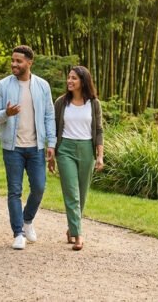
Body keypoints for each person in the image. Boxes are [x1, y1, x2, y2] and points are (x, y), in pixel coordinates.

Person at [0, 45, 56, 250]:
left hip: (36, 147)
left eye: (18, 61)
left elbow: (49, 116)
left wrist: (51, 143)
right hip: (13, 148)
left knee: (39, 187)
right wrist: (6, 114)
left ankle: (27, 221)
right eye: (13, 60)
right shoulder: (3, 85)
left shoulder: (43, 86)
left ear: (29, 62)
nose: (14, 64)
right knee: (14, 191)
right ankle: (18, 233)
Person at [49, 66, 104, 251]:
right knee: (72, 194)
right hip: (65, 149)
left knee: (82, 193)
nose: (69, 81)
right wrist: (51, 154)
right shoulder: (61, 103)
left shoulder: (94, 104)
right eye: (69, 77)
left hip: (87, 150)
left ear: (83, 81)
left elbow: (99, 131)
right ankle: (79, 235)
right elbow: (54, 129)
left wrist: (100, 156)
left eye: (74, 78)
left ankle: (72, 228)